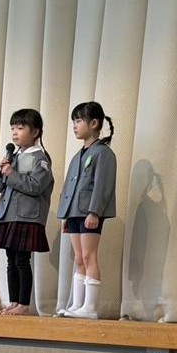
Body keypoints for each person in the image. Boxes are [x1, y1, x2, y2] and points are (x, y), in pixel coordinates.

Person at [57, 102, 116, 319]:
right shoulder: (78, 155)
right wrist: (65, 214)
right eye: (74, 121)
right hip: (74, 212)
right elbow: (68, 187)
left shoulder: (103, 153)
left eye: (79, 121)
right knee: (79, 257)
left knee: (89, 256)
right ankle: (77, 305)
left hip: (89, 212)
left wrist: (95, 212)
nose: (75, 125)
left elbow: (102, 186)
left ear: (94, 124)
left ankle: (90, 307)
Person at [0, 109, 54, 316]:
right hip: (9, 214)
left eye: (20, 128)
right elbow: (0, 188)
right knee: (11, 260)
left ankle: (23, 304)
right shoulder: (15, 156)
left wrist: (12, 173)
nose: (14, 132)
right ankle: (13, 301)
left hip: (27, 216)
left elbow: (36, 185)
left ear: (35, 132)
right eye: (13, 128)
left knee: (21, 260)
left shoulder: (39, 158)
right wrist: (2, 172)